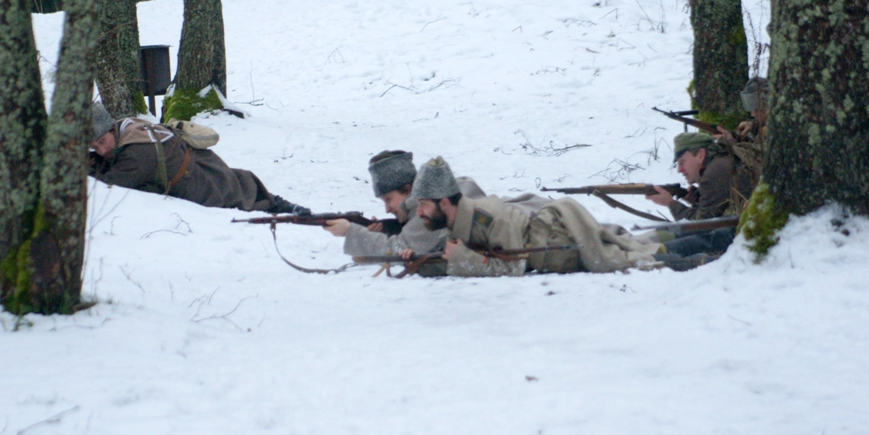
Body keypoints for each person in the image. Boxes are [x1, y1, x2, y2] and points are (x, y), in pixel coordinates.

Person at [406, 157, 660, 277]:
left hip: (561, 243)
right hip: (557, 244)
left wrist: (461, 257)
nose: (419, 213)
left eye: (424, 205)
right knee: (633, 243)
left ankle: (693, 251)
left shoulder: (488, 219)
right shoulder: (454, 222)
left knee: (633, 255)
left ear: (445, 202)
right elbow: (460, 256)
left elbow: (514, 266)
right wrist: (416, 262)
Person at [89, 103, 309, 214]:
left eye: (101, 142)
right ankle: (278, 203)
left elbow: (110, 185)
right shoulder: (128, 126)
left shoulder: (137, 152)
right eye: (94, 147)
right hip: (202, 167)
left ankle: (281, 207)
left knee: (237, 197)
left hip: (201, 186)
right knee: (239, 185)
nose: (100, 150)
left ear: (112, 131)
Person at [321, 149, 485, 257]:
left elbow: (398, 250)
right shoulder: (444, 191)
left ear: (408, 190)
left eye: (388, 199)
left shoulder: (436, 210)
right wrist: (381, 233)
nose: (386, 209)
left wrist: (350, 232)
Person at [645, 132, 753, 257]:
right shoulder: (721, 163)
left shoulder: (714, 172)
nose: (679, 169)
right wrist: (697, 199)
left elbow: (699, 225)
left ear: (701, 155)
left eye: (682, 162)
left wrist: (670, 203)